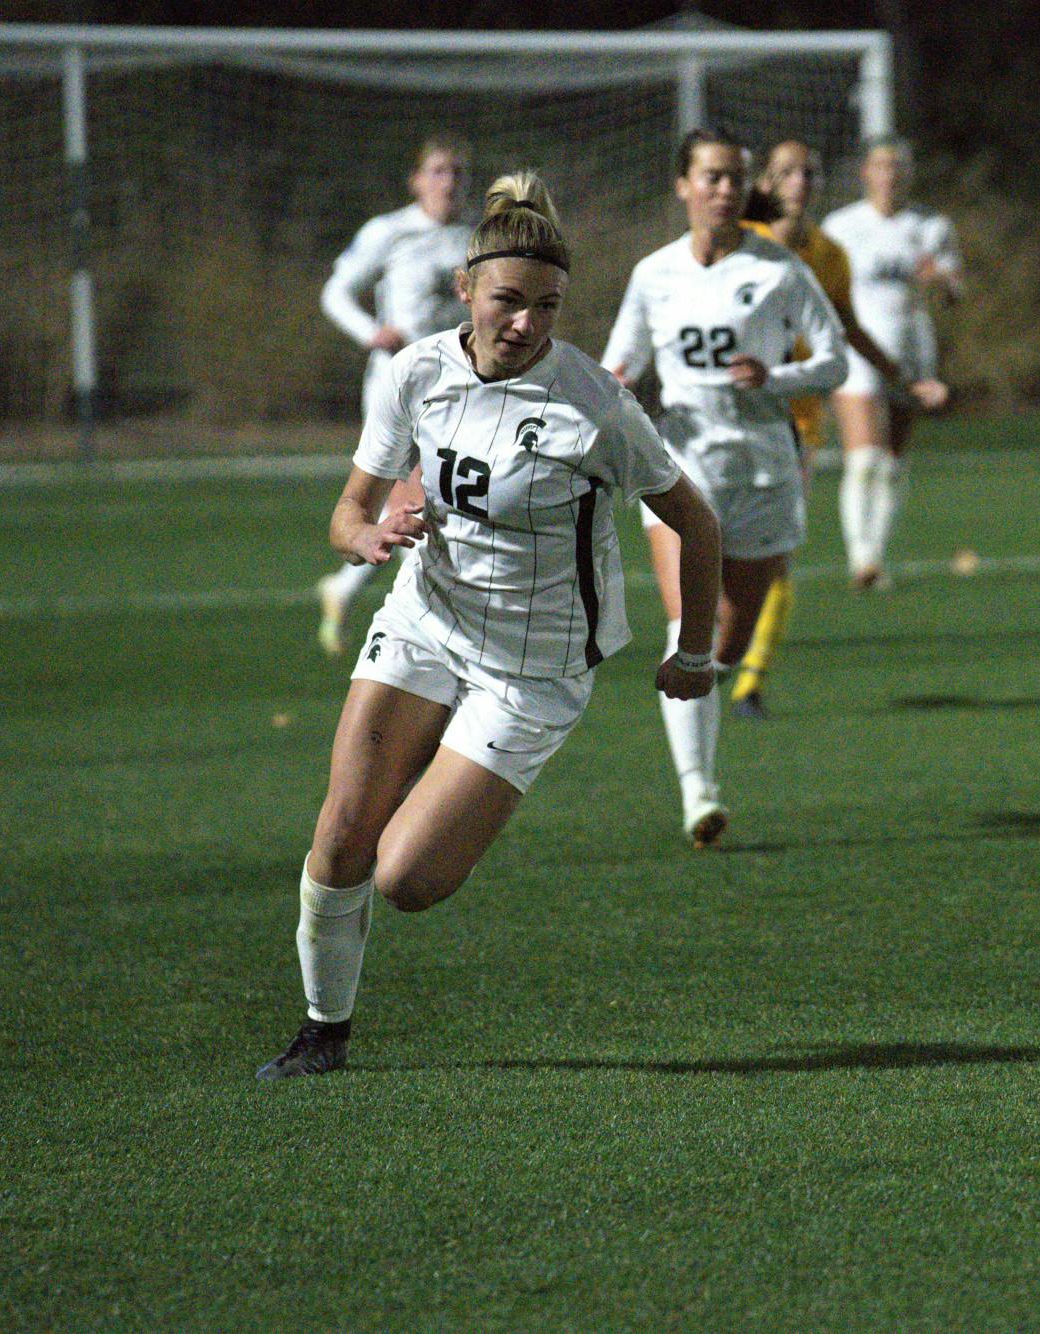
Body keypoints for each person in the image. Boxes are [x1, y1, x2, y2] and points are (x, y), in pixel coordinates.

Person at [256, 171, 724, 1081]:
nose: (527, 323)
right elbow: (348, 512)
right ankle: (323, 1031)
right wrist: (371, 534)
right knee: (342, 832)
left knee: (406, 880)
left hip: (533, 666)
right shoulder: (417, 370)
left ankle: (459, 769)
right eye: (509, 301)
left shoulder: (592, 403)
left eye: (547, 306)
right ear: (465, 291)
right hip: (425, 621)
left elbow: (694, 521)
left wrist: (693, 652)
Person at [602, 128, 848, 846]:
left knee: (725, 646)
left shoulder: (779, 269)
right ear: (683, 186)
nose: (724, 190)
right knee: (689, 629)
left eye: (735, 179)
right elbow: (621, 364)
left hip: (766, 466)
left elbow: (833, 362)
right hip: (682, 466)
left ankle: (706, 730)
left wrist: (778, 378)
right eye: (710, 177)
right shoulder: (654, 274)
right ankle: (698, 792)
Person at [726, 139, 949, 719]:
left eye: (809, 170)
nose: (800, 180)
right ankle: (717, 648)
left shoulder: (827, 253)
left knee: (777, 550)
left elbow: (846, 327)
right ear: (768, 184)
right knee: (714, 548)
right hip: (716, 417)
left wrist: (905, 378)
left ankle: (751, 680)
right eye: (786, 172)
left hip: (792, 418)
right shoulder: (738, 237)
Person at [314, 137, 475, 656]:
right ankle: (430, 625)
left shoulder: (473, 237)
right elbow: (335, 292)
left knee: (433, 502)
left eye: (454, 170)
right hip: (397, 385)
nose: (447, 181)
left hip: (455, 386)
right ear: (416, 180)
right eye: (436, 170)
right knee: (413, 505)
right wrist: (369, 331)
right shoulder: (390, 231)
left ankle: (343, 589)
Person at [823, 137, 962, 590]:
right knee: (862, 458)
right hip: (859, 348)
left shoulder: (931, 226)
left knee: (892, 461)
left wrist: (941, 279)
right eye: (881, 165)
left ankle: (876, 557)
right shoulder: (841, 226)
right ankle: (860, 556)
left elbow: (955, 293)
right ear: (865, 172)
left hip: (911, 347)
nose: (890, 175)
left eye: (898, 166)